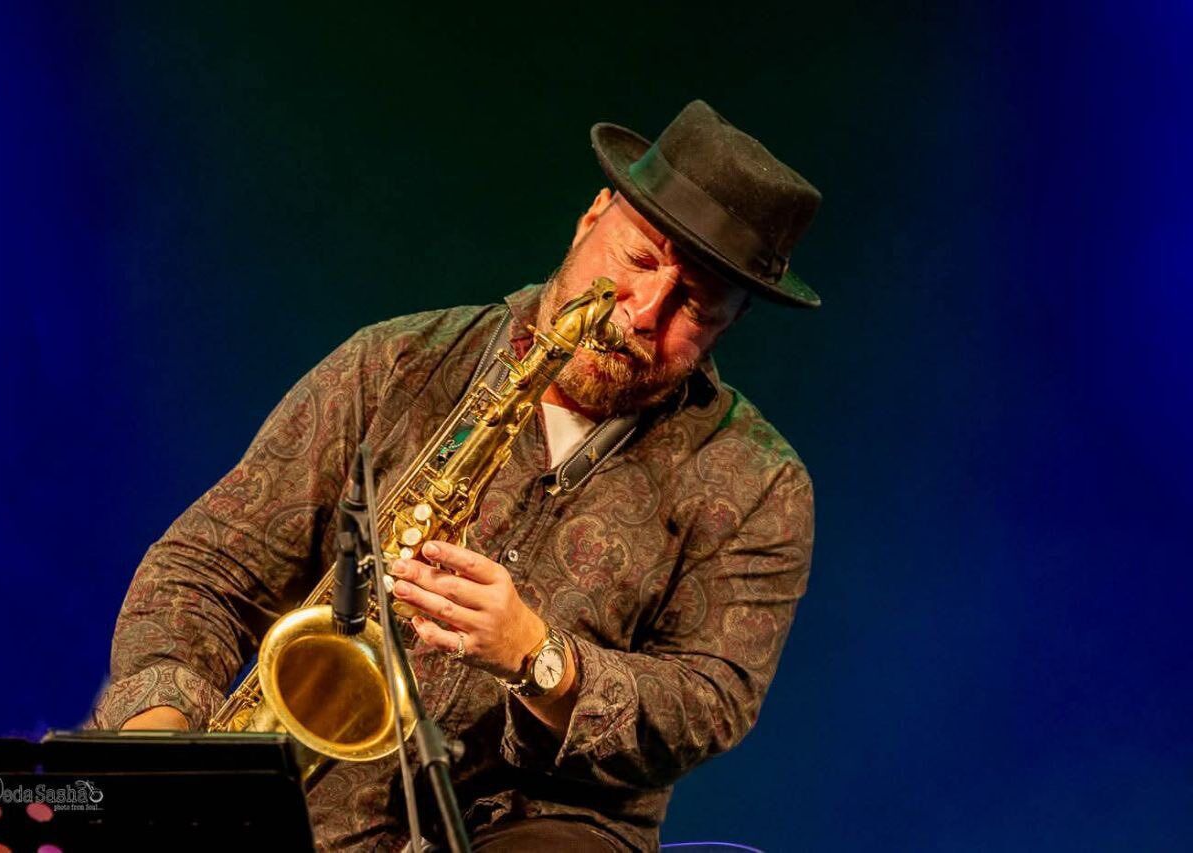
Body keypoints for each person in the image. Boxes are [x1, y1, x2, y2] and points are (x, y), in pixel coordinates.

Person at [89, 99, 822, 852]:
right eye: (638, 261)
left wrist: (541, 657)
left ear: (730, 322)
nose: (641, 313)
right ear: (591, 219)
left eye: (693, 305)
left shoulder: (759, 481)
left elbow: (710, 701)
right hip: (304, 815)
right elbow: (206, 570)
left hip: (544, 828)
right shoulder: (394, 365)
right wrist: (160, 743)